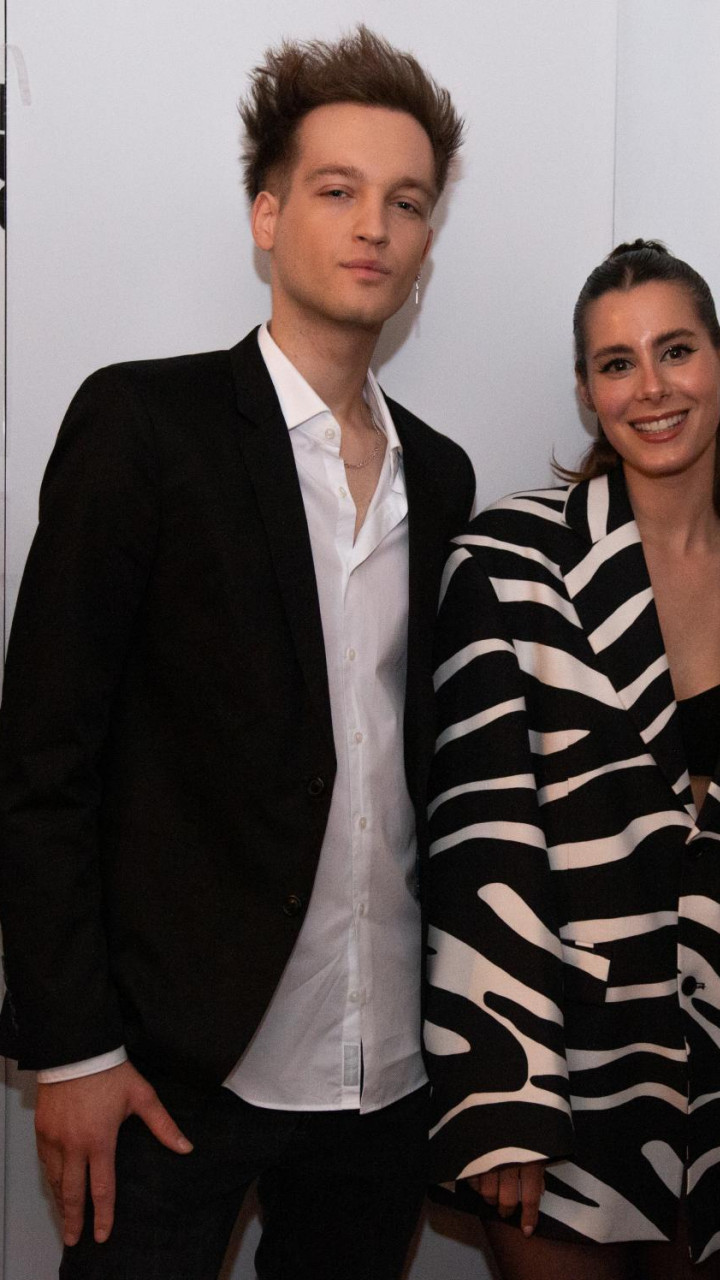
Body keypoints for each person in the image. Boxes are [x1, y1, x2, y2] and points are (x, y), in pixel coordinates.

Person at [0, 27, 473, 1280]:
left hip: (383, 1075)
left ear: (426, 242)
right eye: (336, 190)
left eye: (406, 201)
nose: (373, 226)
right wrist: (74, 1045)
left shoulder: (442, 475)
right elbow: (43, 758)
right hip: (169, 1070)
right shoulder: (144, 425)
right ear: (267, 215)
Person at [423, 240, 720, 1278]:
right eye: (616, 363)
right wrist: (503, 1095)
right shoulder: (509, 561)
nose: (652, 387)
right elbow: (480, 841)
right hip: (558, 1083)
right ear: (588, 391)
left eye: (675, 350)